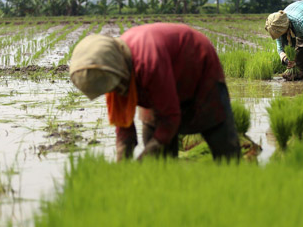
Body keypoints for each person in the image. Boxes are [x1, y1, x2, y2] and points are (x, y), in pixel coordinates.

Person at [69, 23, 241, 162]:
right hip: (157, 79)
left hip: (197, 67)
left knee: (222, 142)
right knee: (158, 153)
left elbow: (171, 117)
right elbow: (123, 127)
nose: (113, 92)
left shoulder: (148, 63)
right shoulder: (111, 73)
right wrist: (121, 167)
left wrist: (145, 158)